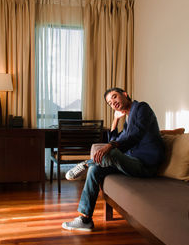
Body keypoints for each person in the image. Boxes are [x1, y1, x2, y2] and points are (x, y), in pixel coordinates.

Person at [62, 87, 165, 231]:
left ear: (125, 94)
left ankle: (85, 163)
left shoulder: (142, 108)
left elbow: (135, 135)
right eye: (110, 103)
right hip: (131, 163)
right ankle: (85, 219)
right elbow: (117, 139)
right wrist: (115, 120)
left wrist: (110, 146)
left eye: (115, 97)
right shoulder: (128, 121)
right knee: (95, 169)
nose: (113, 103)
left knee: (113, 152)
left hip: (146, 165)